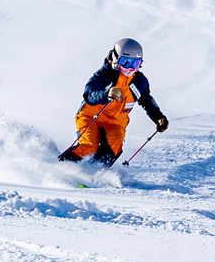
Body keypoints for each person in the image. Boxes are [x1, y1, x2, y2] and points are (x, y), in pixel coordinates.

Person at [58, 38, 168, 166]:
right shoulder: (104, 75)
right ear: (115, 58)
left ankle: (94, 172)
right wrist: (106, 94)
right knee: (89, 145)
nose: (130, 68)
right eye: (125, 62)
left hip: (116, 123)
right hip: (90, 117)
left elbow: (146, 100)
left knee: (114, 146)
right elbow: (89, 94)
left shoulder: (139, 82)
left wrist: (159, 118)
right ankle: (62, 167)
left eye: (135, 64)